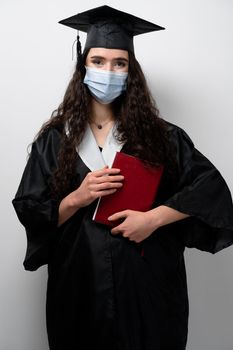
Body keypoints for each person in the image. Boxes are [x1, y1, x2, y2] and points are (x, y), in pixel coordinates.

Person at [12, 5, 233, 350]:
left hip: (148, 286)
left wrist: (153, 219)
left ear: (131, 72)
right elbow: (30, 210)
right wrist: (77, 197)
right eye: (98, 61)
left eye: (120, 63)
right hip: (78, 286)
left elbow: (211, 189)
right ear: (82, 66)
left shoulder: (161, 137)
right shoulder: (56, 140)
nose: (109, 70)